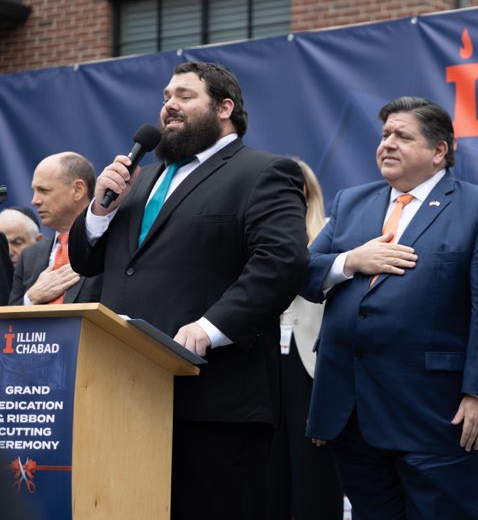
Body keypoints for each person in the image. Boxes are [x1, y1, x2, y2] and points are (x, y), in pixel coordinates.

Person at [68, 61, 308, 519]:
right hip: (128, 395)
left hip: (214, 401)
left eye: (183, 95)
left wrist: (210, 327)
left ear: (224, 107)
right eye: (164, 98)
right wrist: (99, 210)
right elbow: (87, 261)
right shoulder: (139, 183)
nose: (168, 107)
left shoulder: (262, 172)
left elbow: (280, 262)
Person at [302, 96, 478, 519]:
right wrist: (351, 261)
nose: (388, 144)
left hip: (436, 418)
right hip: (354, 415)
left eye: (403, 136)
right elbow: (302, 273)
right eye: (384, 135)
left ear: (440, 151)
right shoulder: (352, 202)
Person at [266, 159, 342, 520]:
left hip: (312, 373)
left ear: (308, 193)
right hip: (264, 373)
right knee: (266, 484)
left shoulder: (332, 234)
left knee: (314, 483)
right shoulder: (254, 237)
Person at [8, 153, 102, 305]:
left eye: (44, 190)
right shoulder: (29, 256)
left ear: (78, 190)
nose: (34, 201)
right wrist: (31, 299)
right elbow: (9, 322)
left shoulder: (108, 247)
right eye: (34, 191)